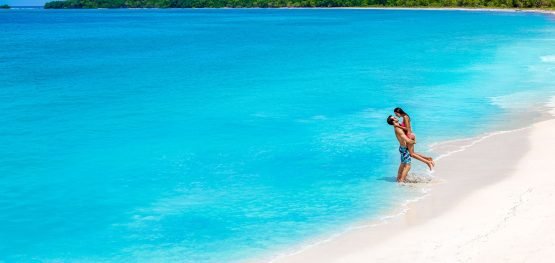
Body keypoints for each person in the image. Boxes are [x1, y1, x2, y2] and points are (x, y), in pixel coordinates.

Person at [387, 115, 415, 182]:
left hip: (402, 148)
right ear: (393, 121)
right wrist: (414, 141)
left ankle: (398, 178)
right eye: (393, 118)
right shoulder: (398, 129)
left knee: (403, 164)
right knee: (408, 166)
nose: (395, 117)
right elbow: (407, 140)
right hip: (404, 149)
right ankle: (401, 180)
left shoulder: (398, 126)